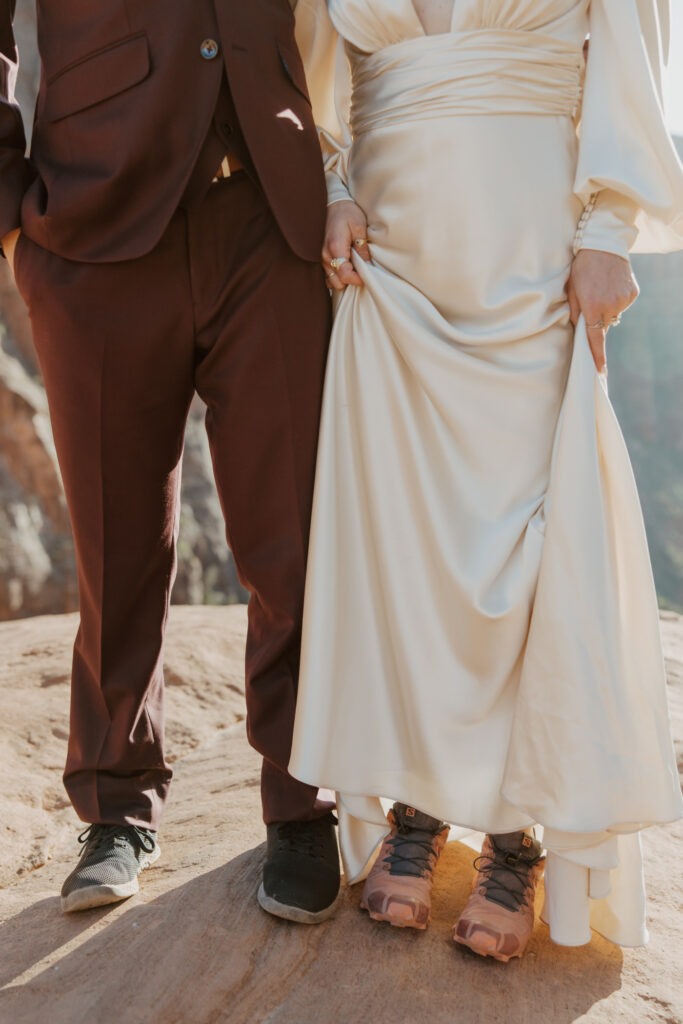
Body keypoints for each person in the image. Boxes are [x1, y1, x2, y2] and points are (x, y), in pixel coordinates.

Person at [289, 0, 683, 960]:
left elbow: (632, 48)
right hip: (389, 258)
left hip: (529, 254)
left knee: (525, 532)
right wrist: (331, 184)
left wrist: (609, 228)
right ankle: (419, 810)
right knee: (411, 543)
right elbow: (303, 71)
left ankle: (518, 836)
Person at [0, 0, 341, 924]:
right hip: (92, 224)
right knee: (117, 545)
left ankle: (303, 797)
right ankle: (117, 807)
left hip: (270, 219)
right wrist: (9, 213)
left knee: (294, 534)